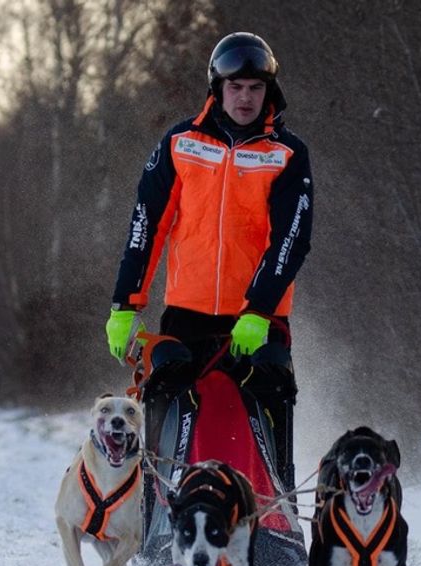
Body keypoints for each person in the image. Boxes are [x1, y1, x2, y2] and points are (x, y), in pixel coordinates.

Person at [104, 31, 313, 486]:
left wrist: (257, 310)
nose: (245, 98)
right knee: (169, 412)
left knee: (269, 407)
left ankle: (276, 523)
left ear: (269, 92)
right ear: (216, 89)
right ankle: (158, 528)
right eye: (235, 87)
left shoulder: (287, 153)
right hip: (186, 315)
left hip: (259, 321)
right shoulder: (181, 142)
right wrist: (126, 305)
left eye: (255, 88)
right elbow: (147, 225)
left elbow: (291, 241)